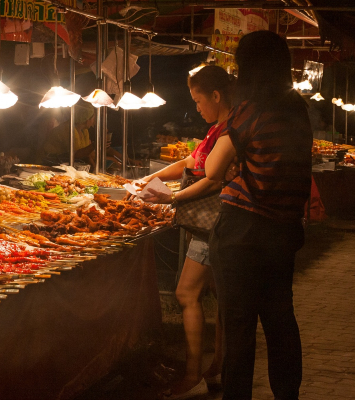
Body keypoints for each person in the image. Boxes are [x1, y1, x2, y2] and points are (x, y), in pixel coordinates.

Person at [205, 31, 311, 400]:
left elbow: (213, 169)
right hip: (283, 233)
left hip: (243, 233)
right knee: (281, 323)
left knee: (239, 331)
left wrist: (235, 168)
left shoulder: (250, 108)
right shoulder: (297, 107)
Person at [140, 65, 233, 400]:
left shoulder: (229, 132)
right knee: (220, 301)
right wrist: (148, 182)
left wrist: (173, 197)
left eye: (198, 100)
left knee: (185, 294)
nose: (196, 107)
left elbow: (212, 178)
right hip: (212, 226)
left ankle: (193, 375)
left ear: (216, 96)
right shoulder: (215, 131)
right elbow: (189, 162)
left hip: (214, 225)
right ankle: (218, 369)